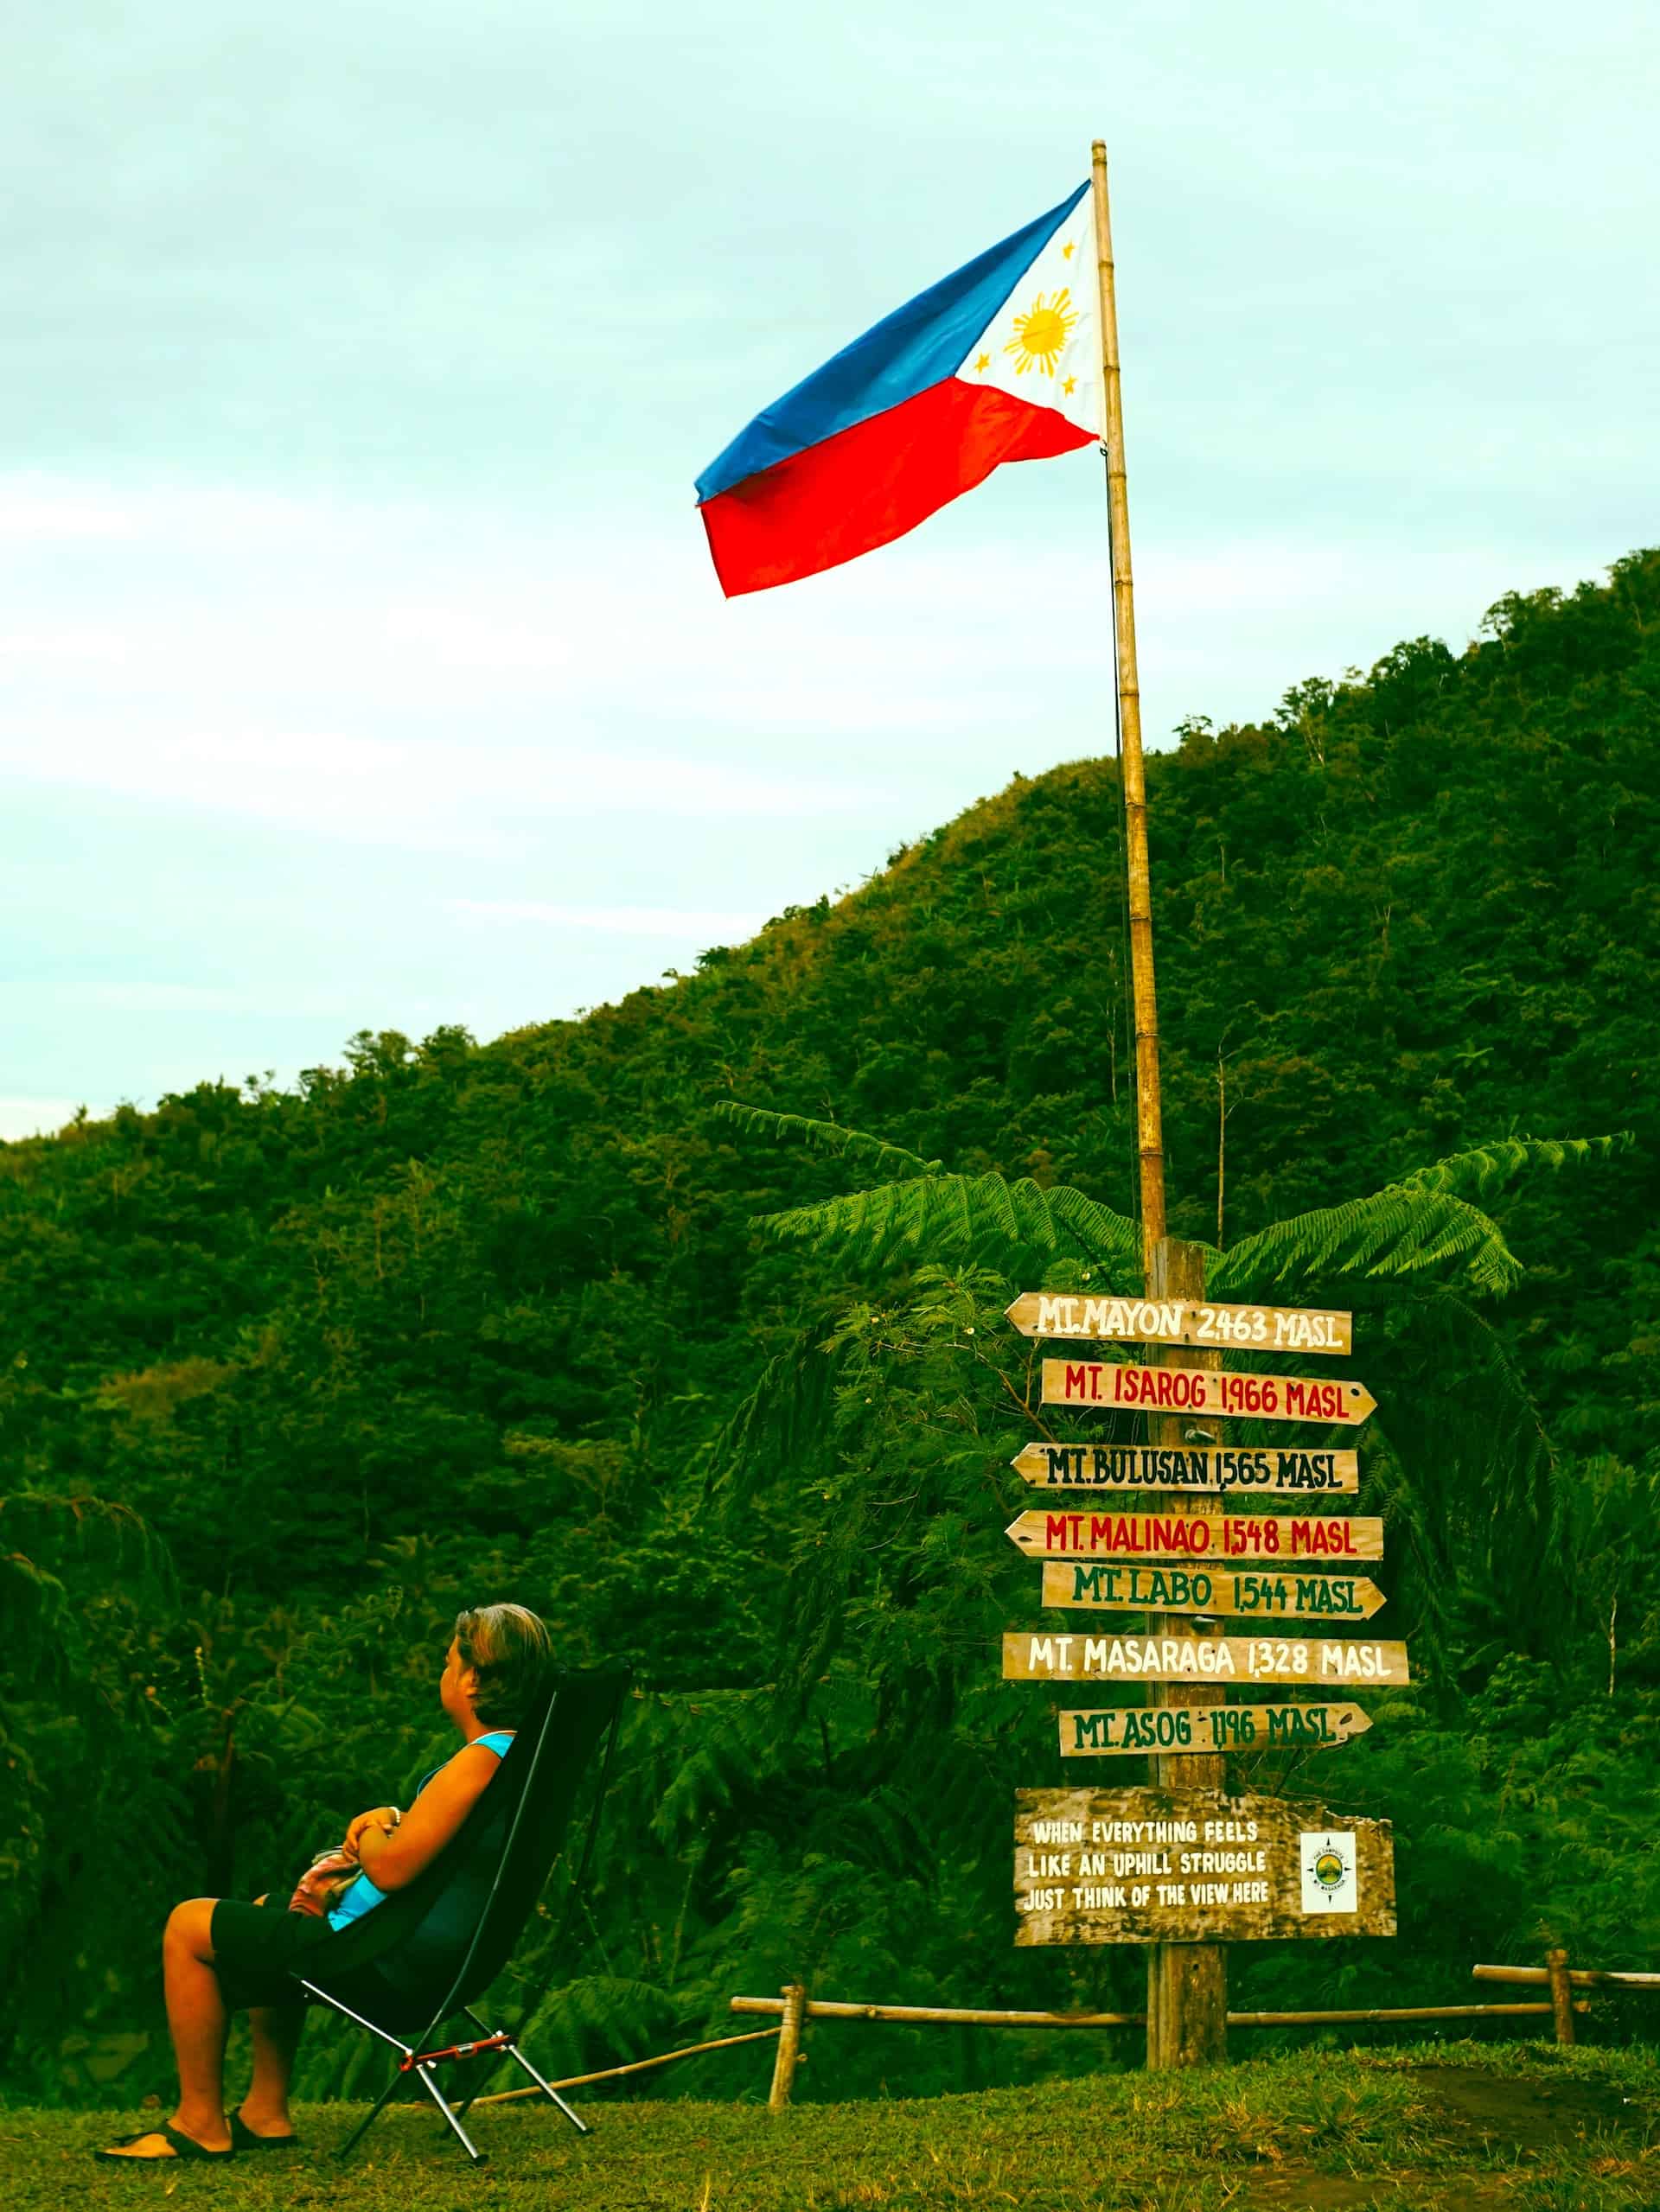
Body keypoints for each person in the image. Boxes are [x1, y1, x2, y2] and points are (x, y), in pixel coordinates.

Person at [97, 1602, 552, 2164]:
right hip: (430, 1954)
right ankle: (265, 2111)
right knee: (272, 1908)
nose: (443, 1673)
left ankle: (198, 2122)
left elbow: (389, 1868)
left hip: (385, 1960)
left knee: (187, 1923)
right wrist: (393, 1821)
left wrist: (369, 1830)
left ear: (472, 1678)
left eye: (447, 1661)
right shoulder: (522, 1760)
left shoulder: (481, 1760)